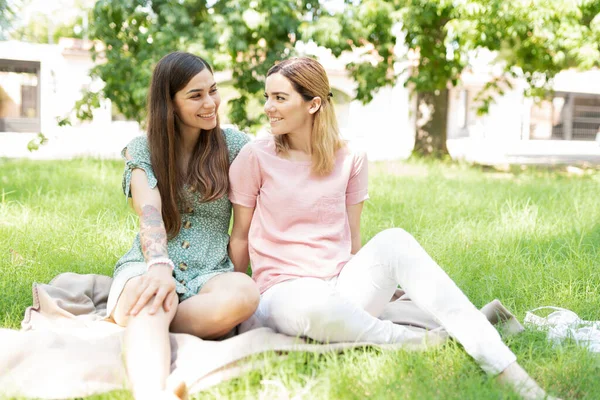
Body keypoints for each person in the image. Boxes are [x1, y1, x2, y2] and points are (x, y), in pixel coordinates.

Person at [227, 57, 555, 399]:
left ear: (314, 104)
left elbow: (352, 238)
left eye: (280, 98)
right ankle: (425, 342)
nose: (268, 108)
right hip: (284, 293)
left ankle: (515, 378)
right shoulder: (255, 157)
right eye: (268, 97)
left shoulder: (350, 157)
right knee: (310, 303)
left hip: (339, 288)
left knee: (395, 240)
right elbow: (239, 237)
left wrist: (376, 282)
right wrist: (235, 308)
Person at [106, 51, 259, 400]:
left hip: (210, 272)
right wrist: (159, 267)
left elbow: (243, 229)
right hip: (148, 264)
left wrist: (230, 278)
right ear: (169, 103)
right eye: (195, 95)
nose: (211, 103)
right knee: (154, 296)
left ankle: (146, 322)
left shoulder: (236, 147)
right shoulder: (142, 148)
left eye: (213, 90)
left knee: (245, 294)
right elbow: (149, 209)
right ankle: (151, 392)